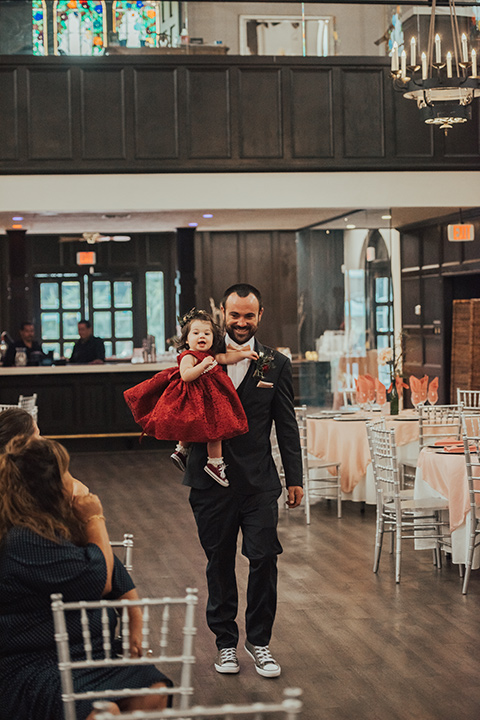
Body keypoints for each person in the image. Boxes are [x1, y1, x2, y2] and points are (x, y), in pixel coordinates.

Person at [0, 436, 171, 720]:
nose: (74, 480)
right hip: (35, 662)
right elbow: (101, 579)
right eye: (67, 473)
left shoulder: (57, 526)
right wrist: (95, 519)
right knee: (104, 712)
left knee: (155, 691)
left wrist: (135, 622)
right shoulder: (23, 539)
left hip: (87, 653)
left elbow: (114, 572)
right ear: (50, 487)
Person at [183, 284, 303, 678]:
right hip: (209, 480)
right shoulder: (199, 356)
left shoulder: (275, 363)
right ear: (222, 312)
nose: (240, 322)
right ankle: (224, 644)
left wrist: (295, 479)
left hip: (258, 483)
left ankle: (260, 641)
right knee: (218, 562)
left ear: (260, 315)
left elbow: (286, 426)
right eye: (234, 315)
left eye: (248, 316)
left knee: (265, 558)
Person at [124, 309, 258, 486]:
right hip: (193, 398)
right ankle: (214, 463)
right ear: (187, 339)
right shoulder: (189, 356)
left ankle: (182, 451)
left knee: (205, 428)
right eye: (196, 333)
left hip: (208, 398)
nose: (201, 336)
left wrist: (243, 354)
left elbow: (225, 357)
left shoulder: (210, 355)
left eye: (206, 333)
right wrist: (202, 365)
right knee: (215, 430)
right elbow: (186, 375)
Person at [0, 407, 89, 497]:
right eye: (38, 434)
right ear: (23, 442)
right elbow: (80, 491)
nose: (43, 439)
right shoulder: (40, 473)